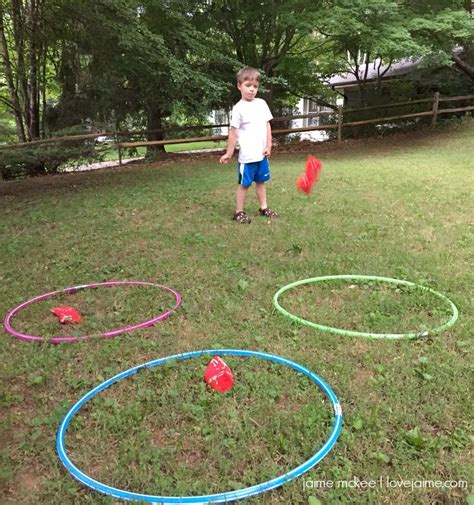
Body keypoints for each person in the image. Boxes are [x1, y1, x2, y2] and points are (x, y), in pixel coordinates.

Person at [219, 67, 278, 224]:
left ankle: (264, 208)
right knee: (244, 185)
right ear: (239, 86)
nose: (252, 89)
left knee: (261, 182)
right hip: (247, 157)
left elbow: (267, 125)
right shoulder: (238, 109)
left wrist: (269, 145)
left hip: (262, 155)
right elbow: (234, 133)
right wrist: (229, 153)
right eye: (248, 85)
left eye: (255, 86)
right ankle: (239, 212)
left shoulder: (261, 104)